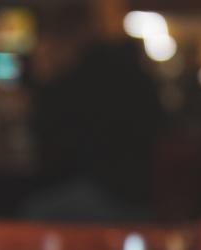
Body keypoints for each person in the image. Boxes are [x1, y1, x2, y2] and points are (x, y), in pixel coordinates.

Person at [22, 6, 164, 222]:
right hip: (137, 190)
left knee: (33, 211)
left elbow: (50, 138)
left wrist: (44, 80)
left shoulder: (87, 76)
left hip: (110, 193)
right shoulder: (126, 65)